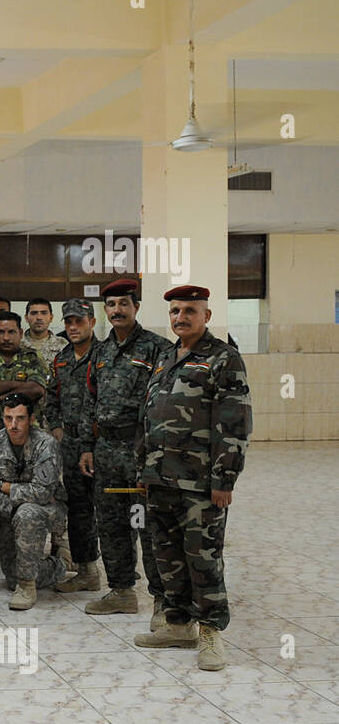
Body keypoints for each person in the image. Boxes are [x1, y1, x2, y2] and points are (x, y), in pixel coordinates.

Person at [133, 284, 252, 672]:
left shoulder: (223, 359)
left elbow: (234, 423)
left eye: (189, 311)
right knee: (167, 557)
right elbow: (148, 416)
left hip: (200, 483)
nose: (181, 317)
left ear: (207, 316)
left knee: (203, 558)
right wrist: (143, 469)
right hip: (160, 479)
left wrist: (224, 478)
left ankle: (210, 634)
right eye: (175, 312)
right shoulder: (167, 356)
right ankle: (178, 625)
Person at [78, 278, 169, 621]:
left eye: (123, 304)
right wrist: (87, 446)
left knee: (147, 524)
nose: (117, 310)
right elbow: (90, 399)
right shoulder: (100, 351)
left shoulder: (157, 348)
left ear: (137, 307)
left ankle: (162, 600)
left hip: (140, 450)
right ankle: (120, 591)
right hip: (106, 450)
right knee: (112, 522)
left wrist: (153, 454)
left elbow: (163, 404)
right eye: (111, 305)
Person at [0, 394, 68, 611]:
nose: (13, 425)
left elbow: (43, 493)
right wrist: (12, 508)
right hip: (7, 514)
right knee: (10, 577)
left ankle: (27, 586)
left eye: (20, 418)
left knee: (28, 513)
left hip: (49, 510)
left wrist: (6, 487)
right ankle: (56, 566)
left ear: (31, 419)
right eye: (8, 418)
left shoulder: (46, 444)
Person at [44, 299, 103, 594]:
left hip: (104, 446)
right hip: (71, 447)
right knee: (79, 510)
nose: (73, 327)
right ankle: (86, 571)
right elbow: (52, 398)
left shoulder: (106, 356)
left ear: (92, 322)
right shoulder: (62, 359)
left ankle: (124, 571)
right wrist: (56, 429)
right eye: (69, 322)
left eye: (79, 321)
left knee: (110, 509)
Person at [21, 298, 61, 369]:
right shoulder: (17, 344)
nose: (39, 317)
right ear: (26, 318)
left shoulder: (63, 345)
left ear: (51, 317)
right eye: (34, 313)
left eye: (44, 313)